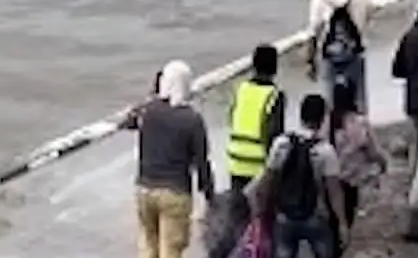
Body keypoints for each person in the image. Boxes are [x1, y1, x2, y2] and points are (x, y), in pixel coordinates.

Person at [135, 59, 214, 258]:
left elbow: (128, 121)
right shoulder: (192, 119)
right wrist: (209, 195)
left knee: (148, 246)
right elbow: (201, 161)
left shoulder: (148, 111)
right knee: (171, 249)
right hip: (175, 192)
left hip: (144, 189)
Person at [260, 93, 347, 258]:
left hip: (284, 215)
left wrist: (264, 212)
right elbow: (334, 192)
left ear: (300, 115)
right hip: (315, 215)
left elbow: (268, 180)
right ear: (322, 119)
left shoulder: (281, 144)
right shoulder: (325, 151)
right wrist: (342, 223)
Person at [307, 0, 374, 113]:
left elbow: (313, 33)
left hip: (329, 58)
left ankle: (331, 133)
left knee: (329, 103)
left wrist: (311, 61)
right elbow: (368, 18)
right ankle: (359, 133)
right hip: (355, 54)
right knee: (358, 102)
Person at [328, 82, 386, 256]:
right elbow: (373, 150)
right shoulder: (358, 123)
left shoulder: (329, 122)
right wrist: (383, 164)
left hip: (330, 180)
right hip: (351, 181)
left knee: (332, 222)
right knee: (346, 220)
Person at [227, 44, 286, 192]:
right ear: (275, 68)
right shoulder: (274, 95)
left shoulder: (241, 89)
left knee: (238, 209)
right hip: (259, 164)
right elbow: (273, 132)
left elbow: (231, 119)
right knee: (260, 211)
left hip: (236, 160)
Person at [392, 9, 418, 241]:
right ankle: (412, 216)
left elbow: (396, 70)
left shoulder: (409, 36)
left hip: (413, 103)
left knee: (414, 158)